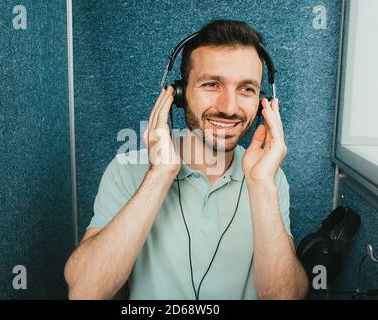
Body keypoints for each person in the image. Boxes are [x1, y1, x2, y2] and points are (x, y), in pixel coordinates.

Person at [64, 19, 308, 300]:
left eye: (246, 89)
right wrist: (160, 174)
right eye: (211, 84)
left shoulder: (269, 176)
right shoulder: (126, 169)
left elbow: (284, 297)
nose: (229, 108)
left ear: (263, 102)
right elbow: (84, 291)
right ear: (177, 94)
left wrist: (261, 185)